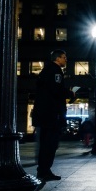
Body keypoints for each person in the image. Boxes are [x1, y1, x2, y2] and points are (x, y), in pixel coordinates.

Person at [32, 49, 76, 181]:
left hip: (44, 114)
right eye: (64, 57)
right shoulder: (56, 71)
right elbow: (56, 90)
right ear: (57, 59)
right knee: (50, 144)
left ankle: (43, 170)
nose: (66, 60)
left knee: (46, 143)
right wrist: (70, 94)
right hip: (52, 115)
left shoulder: (45, 71)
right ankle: (45, 171)